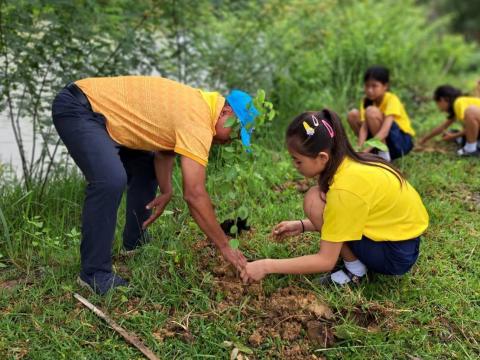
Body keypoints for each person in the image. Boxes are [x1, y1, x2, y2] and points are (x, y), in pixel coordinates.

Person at [51, 75, 259, 295]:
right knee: (110, 179)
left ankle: (135, 242)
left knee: (144, 163)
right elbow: (194, 194)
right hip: (81, 108)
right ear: (225, 112)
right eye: (235, 132)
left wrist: (166, 189)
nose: (231, 140)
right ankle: (93, 273)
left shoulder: (201, 106)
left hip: (105, 116)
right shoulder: (198, 119)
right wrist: (224, 245)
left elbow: (163, 147)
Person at [240, 109, 429, 285]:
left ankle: (355, 272)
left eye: (298, 160)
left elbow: (325, 261)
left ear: (322, 157)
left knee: (314, 200)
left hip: (393, 256)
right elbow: (348, 216)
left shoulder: (344, 189)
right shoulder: (352, 163)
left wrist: (266, 266)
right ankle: (357, 263)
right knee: (318, 196)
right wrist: (302, 225)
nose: (295, 166)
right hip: (404, 244)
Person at [347, 66, 415, 161]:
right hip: (381, 139)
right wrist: (360, 148)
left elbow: (385, 131)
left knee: (371, 111)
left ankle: (384, 155)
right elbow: (364, 128)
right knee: (353, 115)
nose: (370, 90)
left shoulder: (392, 99)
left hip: (401, 141)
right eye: (367, 86)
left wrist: (365, 149)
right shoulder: (366, 101)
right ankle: (373, 153)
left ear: (385, 86)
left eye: (374, 86)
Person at [419, 84, 480, 156]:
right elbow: (441, 127)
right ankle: (473, 144)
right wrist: (424, 139)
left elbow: (470, 129)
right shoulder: (458, 106)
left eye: (437, 104)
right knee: (450, 132)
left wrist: (454, 136)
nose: (439, 108)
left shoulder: (459, 102)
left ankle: (470, 149)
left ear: (442, 100)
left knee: (471, 111)